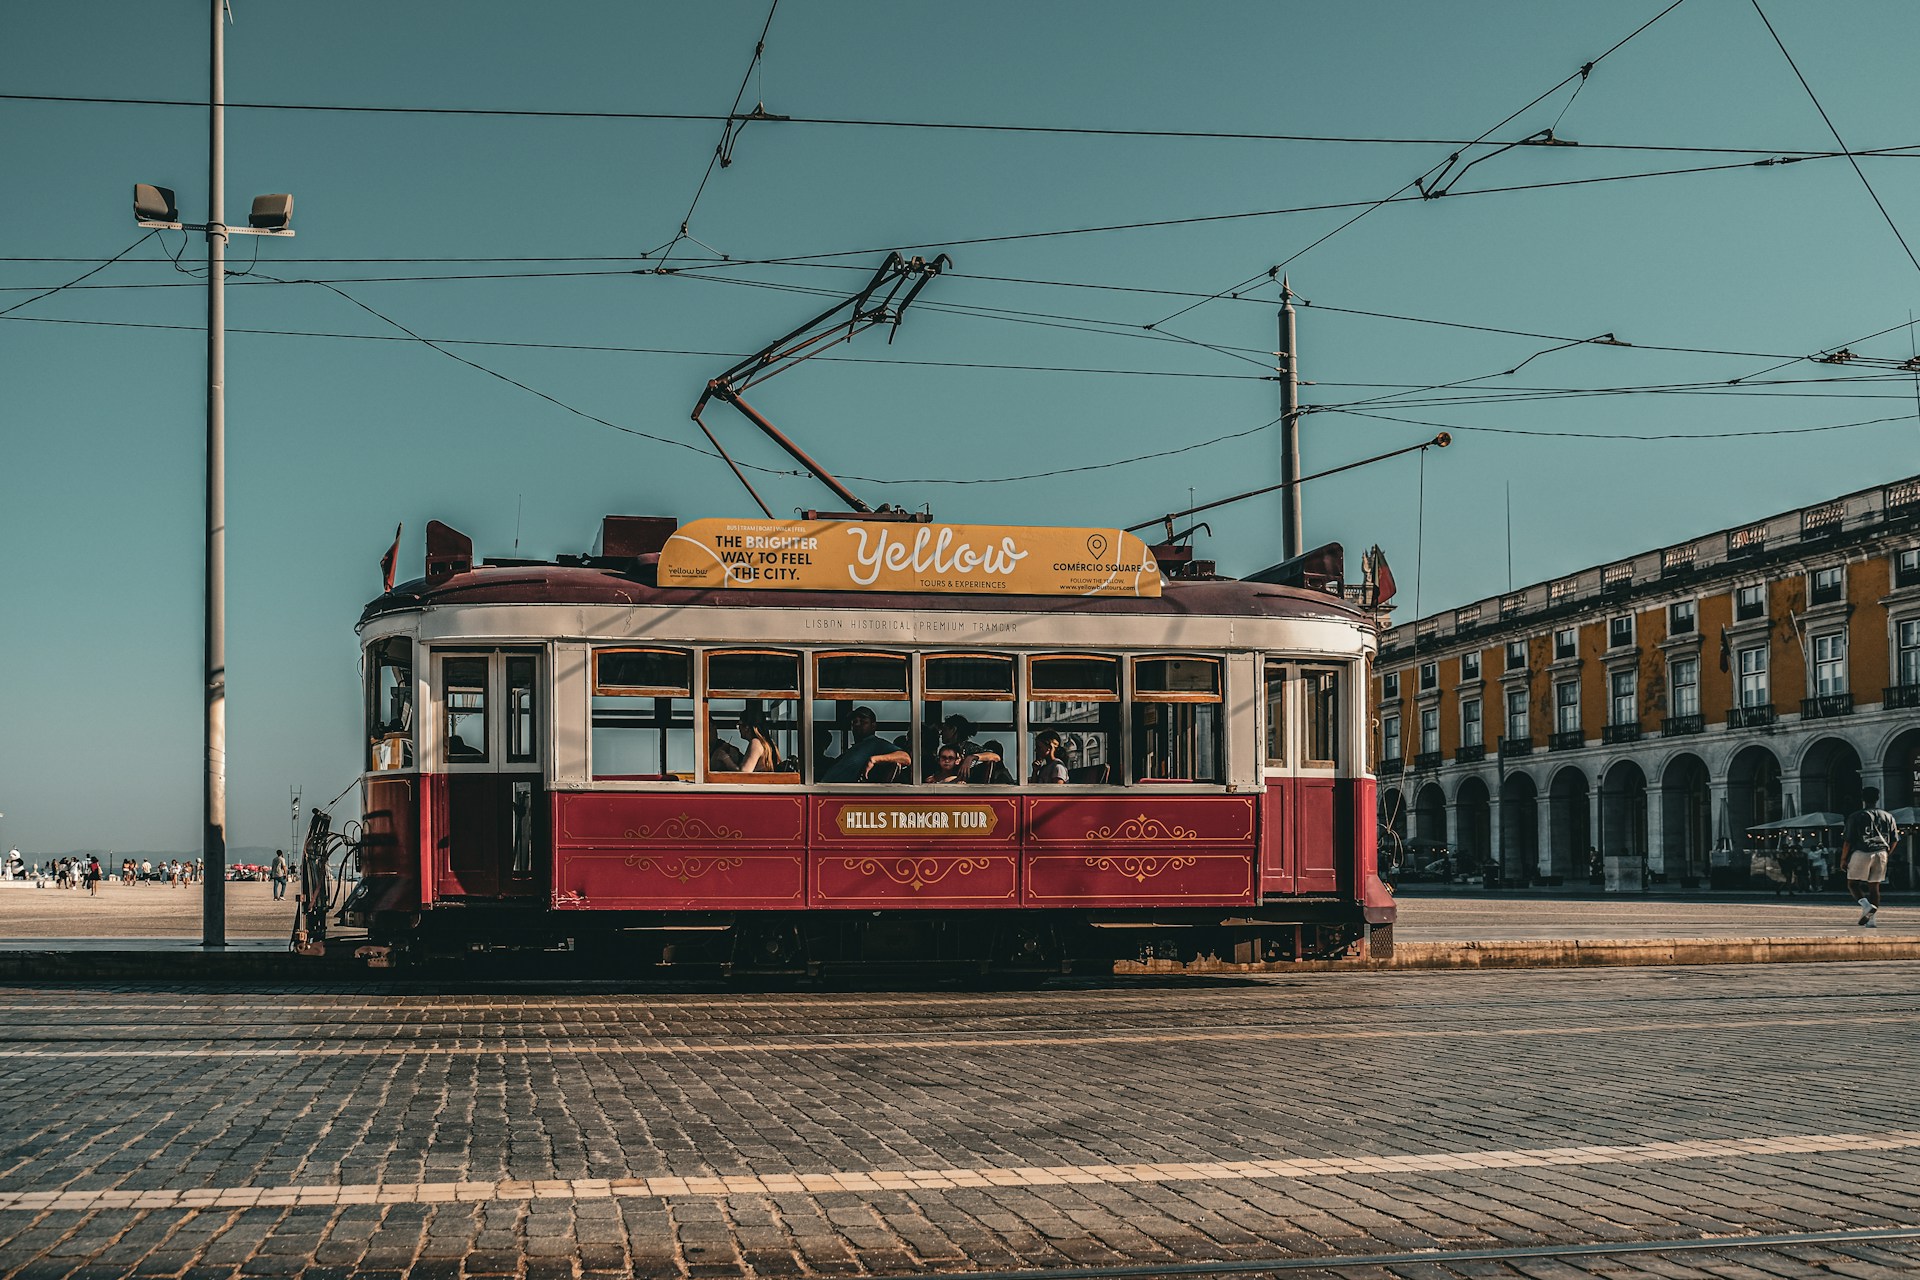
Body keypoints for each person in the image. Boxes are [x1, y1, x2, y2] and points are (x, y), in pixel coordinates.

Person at [1840, 786, 1900, 927]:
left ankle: (1866, 905)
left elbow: (1848, 841)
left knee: (1852, 883)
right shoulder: (1888, 816)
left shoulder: (1856, 816)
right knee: (1874, 887)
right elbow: (1895, 839)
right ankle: (1872, 921)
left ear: (1862, 798)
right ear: (1877, 798)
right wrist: (1887, 853)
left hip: (1861, 851)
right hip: (1881, 852)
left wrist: (1843, 859)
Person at [821, 707, 911, 782]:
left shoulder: (875, 743)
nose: (857, 724)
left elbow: (905, 757)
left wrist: (874, 759)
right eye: (854, 722)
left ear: (873, 725)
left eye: (863, 722)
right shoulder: (852, 750)